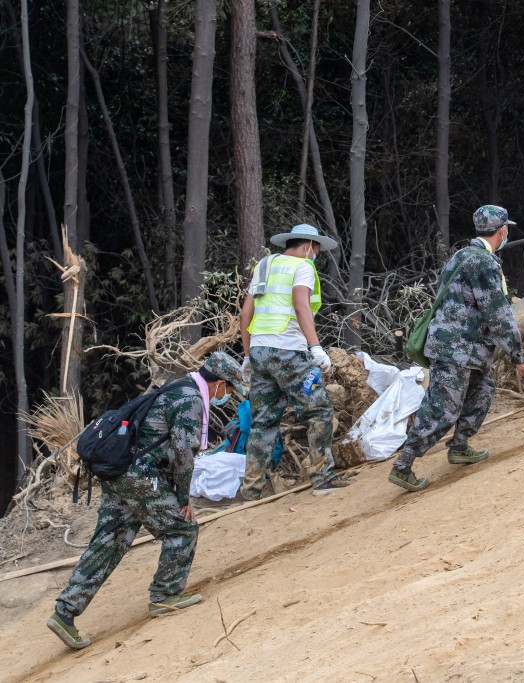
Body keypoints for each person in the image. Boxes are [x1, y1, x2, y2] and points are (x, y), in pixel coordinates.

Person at [47, 352, 247, 650]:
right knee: (182, 529)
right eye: (229, 390)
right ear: (219, 383)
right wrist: (184, 498)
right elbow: (182, 453)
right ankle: (165, 596)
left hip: (119, 473)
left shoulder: (178, 386)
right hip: (141, 477)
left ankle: (64, 612)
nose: (227, 397)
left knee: (108, 542)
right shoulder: (191, 400)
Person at [389, 205, 524, 492]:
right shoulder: (483, 262)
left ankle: (459, 446)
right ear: (502, 230)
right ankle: (403, 465)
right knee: (442, 409)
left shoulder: (460, 256)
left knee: (482, 391)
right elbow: (498, 314)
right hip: (456, 349)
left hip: (468, 348)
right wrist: (519, 355)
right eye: (507, 229)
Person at [239, 223, 351, 500]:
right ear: (307, 247)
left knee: (263, 422)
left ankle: (251, 490)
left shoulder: (264, 266)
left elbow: (245, 315)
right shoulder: (302, 266)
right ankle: (322, 478)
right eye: (316, 251)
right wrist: (316, 347)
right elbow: (301, 306)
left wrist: (246, 356)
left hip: (261, 352)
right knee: (318, 411)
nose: (316, 256)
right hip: (289, 351)